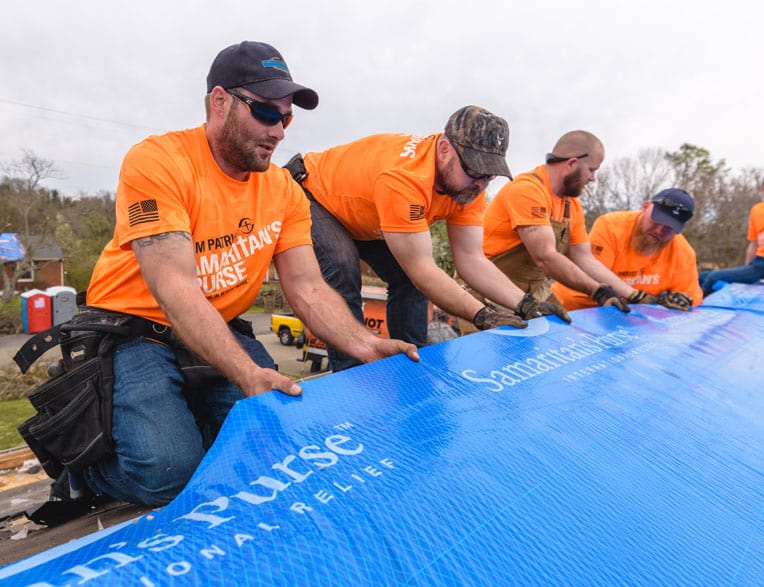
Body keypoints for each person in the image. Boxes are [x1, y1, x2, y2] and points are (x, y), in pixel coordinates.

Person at [78, 41, 419, 506]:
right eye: (265, 112)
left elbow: (307, 287)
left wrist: (363, 344)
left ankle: (187, 420)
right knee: (168, 475)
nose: (279, 131)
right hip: (136, 328)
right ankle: (88, 473)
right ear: (220, 102)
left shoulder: (282, 189)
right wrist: (247, 373)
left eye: (286, 118)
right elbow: (175, 287)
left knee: (274, 445)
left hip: (217, 326)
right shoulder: (158, 162)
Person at [288, 106, 567, 372]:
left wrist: (524, 303)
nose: (481, 184)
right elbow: (422, 269)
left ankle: (412, 362)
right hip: (313, 193)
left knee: (407, 281)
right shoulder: (405, 179)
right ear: (444, 149)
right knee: (342, 266)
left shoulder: (469, 188)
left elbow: (471, 259)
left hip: (364, 213)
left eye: (489, 175)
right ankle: (353, 374)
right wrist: (483, 315)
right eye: (474, 171)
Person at [482, 130, 656, 316]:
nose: (593, 178)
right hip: (488, 289)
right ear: (572, 163)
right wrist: (597, 291)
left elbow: (584, 258)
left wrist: (634, 295)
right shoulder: (527, 189)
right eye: (592, 170)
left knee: (561, 335)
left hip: (532, 292)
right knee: (497, 345)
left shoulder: (571, 205)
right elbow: (545, 257)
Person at [551, 188, 702, 311]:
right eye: (656, 220)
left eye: (669, 228)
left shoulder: (683, 252)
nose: (659, 230)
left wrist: (683, 301)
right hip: (574, 309)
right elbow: (591, 273)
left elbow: (692, 296)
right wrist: (636, 296)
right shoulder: (610, 225)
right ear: (646, 206)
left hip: (626, 319)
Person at [699, 181, 764, 296]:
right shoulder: (757, 210)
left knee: (714, 278)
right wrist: (746, 271)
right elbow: (753, 245)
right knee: (702, 276)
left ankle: (696, 305)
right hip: (757, 263)